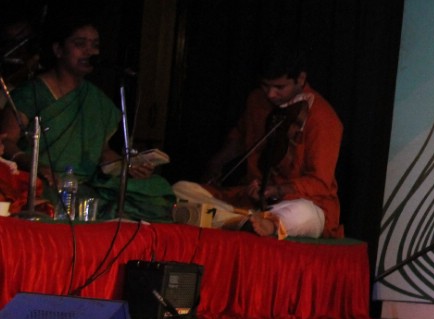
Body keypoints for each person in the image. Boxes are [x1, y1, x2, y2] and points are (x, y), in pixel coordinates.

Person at [0, 12, 174, 221]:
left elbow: (102, 152)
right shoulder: (32, 93)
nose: (89, 52)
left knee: (156, 190)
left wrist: (129, 165)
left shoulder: (96, 100)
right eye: (80, 44)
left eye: (95, 45)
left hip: (83, 184)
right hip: (42, 182)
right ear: (58, 49)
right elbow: (6, 140)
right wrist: (34, 165)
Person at [173, 44, 343, 239]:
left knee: (305, 215)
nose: (271, 94)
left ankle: (267, 224)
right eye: (265, 85)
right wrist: (217, 162)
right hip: (251, 200)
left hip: (297, 202)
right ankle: (240, 221)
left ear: (301, 79)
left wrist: (277, 190)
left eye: (279, 87)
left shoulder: (322, 118)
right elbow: (240, 138)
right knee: (181, 190)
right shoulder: (257, 100)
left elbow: (320, 183)